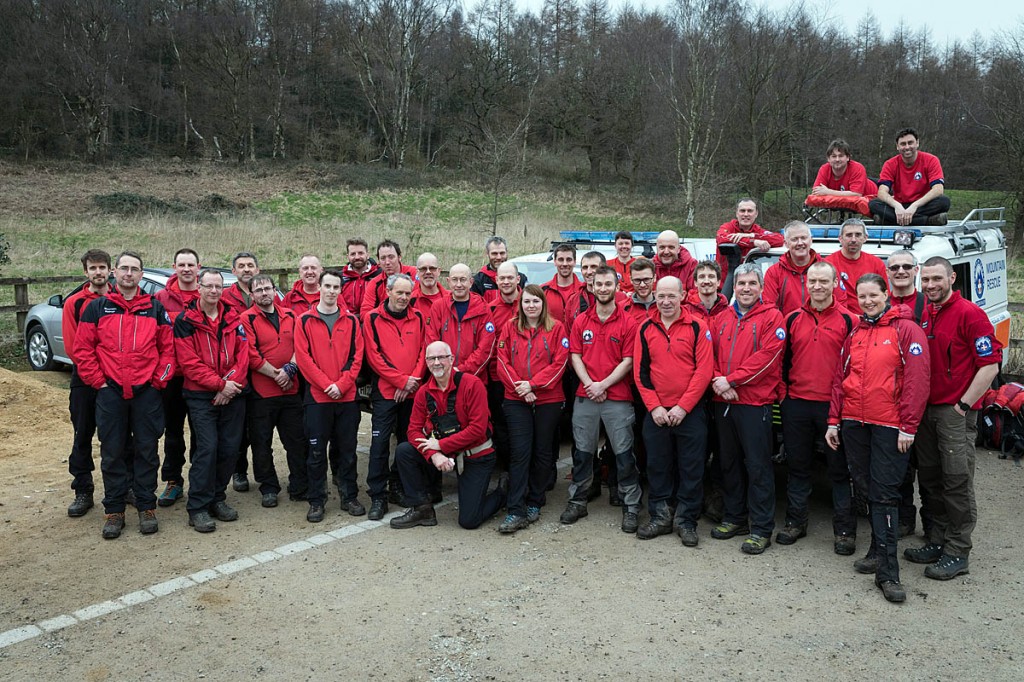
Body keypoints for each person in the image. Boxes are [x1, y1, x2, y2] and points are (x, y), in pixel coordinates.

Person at [827, 273, 930, 603]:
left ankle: (889, 573)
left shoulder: (905, 329)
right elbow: (840, 378)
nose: (868, 300)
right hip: (855, 423)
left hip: (889, 425)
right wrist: (834, 421)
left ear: (887, 294)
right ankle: (875, 551)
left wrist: (909, 426)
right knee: (868, 489)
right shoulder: (856, 331)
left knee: (885, 495)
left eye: (874, 295)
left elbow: (917, 381)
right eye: (862, 296)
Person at [904, 257, 1002, 581]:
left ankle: (958, 551)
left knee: (957, 480)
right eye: (926, 279)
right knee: (931, 479)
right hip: (926, 411)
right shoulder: (926, 313)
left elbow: (989, 365)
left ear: (951, 278)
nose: (930, 285)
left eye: (937, 279)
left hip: (953, 412)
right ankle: (937, 540)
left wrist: (963, 405)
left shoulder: (970, 314)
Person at [75, 251, 175, 539]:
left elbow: (168, 350)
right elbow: (83, 351)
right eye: (124, 269)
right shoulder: (97, 309)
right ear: (114, 273)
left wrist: (158, 381)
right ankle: (114, 510)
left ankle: (146, 507)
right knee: (112, 452)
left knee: (146, 451)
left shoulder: (155, 309)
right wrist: (99, 382)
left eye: (135, 269)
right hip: (110, 392)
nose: (129, 274)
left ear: (142, 275)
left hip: (147, 392)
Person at [778, 262, 856, 553]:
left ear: (835, 283)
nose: (818, 286)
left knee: (838, 469)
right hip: (796, 404)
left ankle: (844, 530)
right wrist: (785, 396)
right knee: (797, 466)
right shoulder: (792, 319)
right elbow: (782, 362)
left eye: (824, 281)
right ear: (806, 284)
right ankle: (795, 523)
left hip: (832, 408)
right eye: (813, 281)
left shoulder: (850, 321)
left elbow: (854, 367)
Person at [708, 264, 785, 555]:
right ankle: (735, 517)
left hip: (755, 403)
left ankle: (761, 528)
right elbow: (709, 354)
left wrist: (731, 379)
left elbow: (766, 359)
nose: (746, 288)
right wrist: (719, 382)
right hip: (724, 401)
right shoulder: (722, 317)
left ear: (761, 287)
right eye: (741, 283)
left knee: (758, 467)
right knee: (728, 463)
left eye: (752, 283)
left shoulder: (772, 317)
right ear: (734, 286)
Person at [390, 341, 507, 530]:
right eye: (431, 358)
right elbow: (413, 430)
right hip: (446, 454)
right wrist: (434, 455)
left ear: (451, 359)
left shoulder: (472, 384)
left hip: (475, 456)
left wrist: (441, 445)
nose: (437, 363)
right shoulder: (423, 392)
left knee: (469, 521)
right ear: (426, 362)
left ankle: (503, 493)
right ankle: (422, 509)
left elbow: (478, 429)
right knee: (404, 450)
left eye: (441, 357)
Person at [633, 276, 713, 546]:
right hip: (656, 414)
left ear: (683, 296)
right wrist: (654, 406)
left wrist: (683, 406)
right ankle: (660, 516)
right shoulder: (645, 327)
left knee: (691, 468)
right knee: (657, 467)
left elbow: (704, 371)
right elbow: (640, 373)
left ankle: (686, 520)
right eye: (661, 296)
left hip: (689, 413)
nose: (666, 302)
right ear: (655, 296)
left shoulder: (698, 327)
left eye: (671, 296)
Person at [561, 266, 640, 533]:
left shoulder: (629, 322)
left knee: (624, 455)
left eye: (608, 284)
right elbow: (575, 355)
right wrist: (590, 385)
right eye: (599, 284)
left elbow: (628, 360)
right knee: (583, 453)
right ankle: (578, 499)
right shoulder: (582, 320)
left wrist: (604, 384)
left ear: (616, 286)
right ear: (591, 286)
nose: (603, 288)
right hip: (586, 396)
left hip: (617, 397)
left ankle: (631, 505)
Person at [173, 268, 249, 533]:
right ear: (199, 287)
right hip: (200, 395)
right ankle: (198, 507)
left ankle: (217, 498)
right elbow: (189, 363)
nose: (214, 291)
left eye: (218, 286)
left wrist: (229, 387)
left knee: (229, 449)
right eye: (209, 286)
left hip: (233, 392)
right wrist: (219, 384)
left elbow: (243, 354)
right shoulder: (186, 320)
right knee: (207, 449)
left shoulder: (233, 317)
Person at [495, 284, 569, 533]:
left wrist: (533, 385)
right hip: (516, 399)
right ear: (521, 303)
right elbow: (501, 360)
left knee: (542, 452)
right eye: (527, 302)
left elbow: (560, 363)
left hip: (548, 398)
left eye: (536, 302)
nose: (531, 306)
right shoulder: (510, 326)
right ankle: (515, 508)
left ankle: (535, 501)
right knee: (520, 452)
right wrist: (521, 388)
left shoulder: (557, 328)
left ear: (543, 304)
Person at [294, 269, 365, 523]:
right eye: (328, 286)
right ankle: (316, 500)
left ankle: (349, 496)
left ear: (340, 290)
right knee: (315, 452)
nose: (332, 291)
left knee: (347, 450)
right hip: (318, 399)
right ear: (319, 288)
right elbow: (304, 360)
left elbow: (356, 358)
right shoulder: (303, 321)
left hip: (346, 398)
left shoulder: (353, 321)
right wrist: (327, 385)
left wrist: (343, 384)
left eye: (336, 287)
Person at [362, 273, 427, 520]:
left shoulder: (419, 317)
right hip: (386, 393)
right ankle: (377, 495)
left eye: (408, 293)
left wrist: (412, 381)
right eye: (399, 292)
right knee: (379, 445)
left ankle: (397, 485)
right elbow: (374, 356)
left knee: (406, 443)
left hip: (412, 392)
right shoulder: (372, 318)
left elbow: (424, 351)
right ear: (388, 292)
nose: (403, 297)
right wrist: (400, 381)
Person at [239, 273, 306, 509]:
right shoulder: (246, 319)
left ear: (274, 290)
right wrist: (278, 375)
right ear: (251, 294)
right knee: (261, 443)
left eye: (267, 288)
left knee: (297, 441)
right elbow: (251, 354)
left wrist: (291, 368)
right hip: (262, 393)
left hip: (291, 390)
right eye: (258, 290)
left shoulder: (291, 315)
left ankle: (299, 483)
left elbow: (302, 345)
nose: (264, 293)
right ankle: (268, 487)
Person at [63, 249, 113, 517]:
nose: (98, 272)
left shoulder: (118, 299)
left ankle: (121, 486)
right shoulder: (75, 303)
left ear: (110, 270)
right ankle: (83, 489)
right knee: (83, 435)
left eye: (102, 267)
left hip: (115, 380)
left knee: (116, 437)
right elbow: (73, 348)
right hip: (85, 379)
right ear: (85, 272)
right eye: (93, 268)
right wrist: (95, 376)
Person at [886, 249, 929, 539]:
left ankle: (933, 527)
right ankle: (903, 518)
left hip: (929, 399)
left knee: (927, 467)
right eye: (894, 267)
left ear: (916, 270)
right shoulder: (880, 304)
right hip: (891, 402)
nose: (900, 271)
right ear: (886, 273)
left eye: (906, 266)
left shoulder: (928, 305)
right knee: (899, 467)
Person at [154, 248, 201, 507]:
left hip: (199, 378)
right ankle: (173, 482)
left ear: (198, 267)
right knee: (172, 433)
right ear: (174, 266)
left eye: (190, 264)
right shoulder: (161, 298)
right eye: (181, 264)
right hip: (171, 378)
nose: (186, 269)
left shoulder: (207, 295)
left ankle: (200, 480)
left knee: (200, 432)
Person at [221, 251, 260, 493]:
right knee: (238, 427)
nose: (246, 269)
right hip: (237, 372)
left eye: (250, 266)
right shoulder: (225, 297)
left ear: (257, 269)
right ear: (233, 271)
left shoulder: (267, 293)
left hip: (263, 372)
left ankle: (264, 472)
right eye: (241, 266)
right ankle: (239, 470)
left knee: (260, 426)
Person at [869, 127, 951, 226]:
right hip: (900, 205)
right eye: (903, 144)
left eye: (910, 143)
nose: (907, 147)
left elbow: (938, 189)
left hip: (922, 204)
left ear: (917, 143)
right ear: (897, 147)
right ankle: (927, 221)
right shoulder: (890, 164)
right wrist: (897, 206)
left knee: (944, 201)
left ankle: (889, 221)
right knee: (873, 204)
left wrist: (915, 206)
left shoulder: (931, 160)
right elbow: (882, 192)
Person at [426, 263, 495, 379]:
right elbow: (431, 341)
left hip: (474, 378)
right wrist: (446, 369)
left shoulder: (483, 308)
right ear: (448, 281)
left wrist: (462, 371)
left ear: (471, 282)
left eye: (463, 280)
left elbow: (485, 347)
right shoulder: (438, 307)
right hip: (442, 377)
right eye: (454, 280)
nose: (458, 284)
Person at [486, 262, 522, 472]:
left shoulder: (530, 303)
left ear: (518, 279)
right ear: (496, 281)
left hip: (525, 380)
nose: (506, 282)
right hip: (497, 378)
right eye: (502, 278)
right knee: (501, 425)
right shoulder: (489, 309)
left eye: (511, 277)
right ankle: (507, 468)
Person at [762, 221, 825, 315]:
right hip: (787, 327)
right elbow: (769, 308)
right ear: (786, 243)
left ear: (811, 240)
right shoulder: (774, 272)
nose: (800, 243)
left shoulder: (827, 269)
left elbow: (839, 303)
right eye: (794, 239)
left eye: (803, 238)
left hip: (821, 327)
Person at [825, 218, 888, 312]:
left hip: (870, 321)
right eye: (849, 235)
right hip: (839, 319)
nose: (853, 239)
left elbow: (884, 298)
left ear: (865, 238)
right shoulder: (828, 264)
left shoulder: (877, 263)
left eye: (858, 235)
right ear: (840, 238)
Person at [805, 139, 878, 216]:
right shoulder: (824, 169)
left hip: (873, 197)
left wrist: (828, 192)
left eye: (841, 156)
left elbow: (856, 195)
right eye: (834, 156)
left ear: (848, 157)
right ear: (828, 159)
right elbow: (816, 192)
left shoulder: (858, 168)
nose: (837, 159)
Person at [715, 199, 783, 278]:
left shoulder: (758, 232)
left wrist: (752, 236)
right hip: (724, 283)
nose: (746, 214)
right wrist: (753, 242)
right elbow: (721, 238)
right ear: (737, 213)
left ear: (756, 214)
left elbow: (780, 239)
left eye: (750, 211)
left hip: (750, 284)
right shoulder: (727, 227)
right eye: (742, 211)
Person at [362, 239, 418, 313]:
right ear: (378, 261)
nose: (387, 262)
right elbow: (365, 312)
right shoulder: (374, 283)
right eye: (383, 258)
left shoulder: (414, 273)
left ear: (399, 257)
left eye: (391, 257)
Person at [471, 236, 526, 301]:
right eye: (494, 253)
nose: (499, 257)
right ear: (487, 254)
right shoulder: (478, 281)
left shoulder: (521, 279)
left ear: (507, 252)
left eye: (502, 253)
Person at [541, 243, 583, 325]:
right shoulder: (543, 291)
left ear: (574, 262)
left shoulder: (584, 290)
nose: (564, 264)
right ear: (555, 262)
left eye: (569, 259)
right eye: (560, 259)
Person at [341, 238, 381, 315]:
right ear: (347, 256)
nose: (357, 257)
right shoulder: (341, 277)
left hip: (373, 319)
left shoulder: (379, 275)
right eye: (353, 254)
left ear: (367, 254)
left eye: (360, 253)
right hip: (347, 320)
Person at [410, 252, 447, 322]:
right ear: (417, 273)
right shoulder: (410, 301)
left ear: (439, 271)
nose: (428, 272)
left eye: (432, 268)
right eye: (423, 269)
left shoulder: (451, 299)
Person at [623, 258, 656, 323]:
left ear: (654, 278)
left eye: (646, 279)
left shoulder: (664, 306)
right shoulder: (622, 308)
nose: (642, 285)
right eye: (637, 280)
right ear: (630, 280)